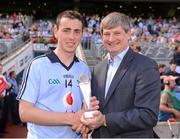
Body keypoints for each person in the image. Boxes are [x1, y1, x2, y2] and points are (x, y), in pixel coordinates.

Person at [17, 10, 98, 138]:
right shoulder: (38, 65)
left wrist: (85, 120)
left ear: (82, 34)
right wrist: (71, 118)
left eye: (77, 31)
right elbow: (25, 112)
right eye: (66, 30)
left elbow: (85, 107)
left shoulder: (84, 69)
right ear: (56, 31)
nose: (72, 37)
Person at [81, 12, 161, 138]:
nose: (111, 39)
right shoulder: (98, 69)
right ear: (101, 36)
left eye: (117, 33)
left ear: (128, 33)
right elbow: (99, 108)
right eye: (107, 34)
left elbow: (148, 115)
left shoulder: (146, 66)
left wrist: (105, 120)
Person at [0, 64, 11, 134]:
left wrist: (7, 85)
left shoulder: (2, 76)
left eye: (1, 68)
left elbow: (7, 86)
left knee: (3, 115)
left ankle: (2, 130)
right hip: (1, 98)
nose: (1, 69)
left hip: (3, 97)